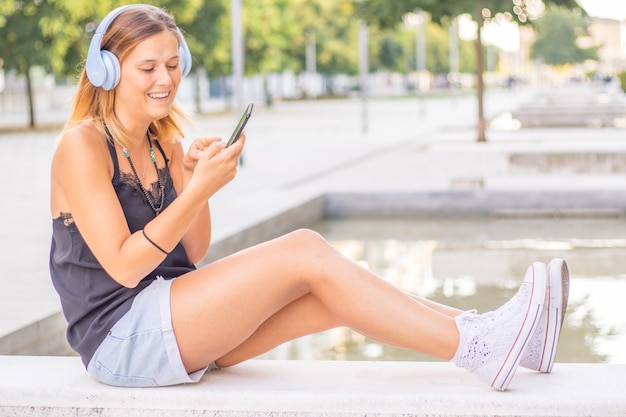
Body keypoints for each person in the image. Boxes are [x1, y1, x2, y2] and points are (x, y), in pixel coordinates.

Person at [49, 4, 570, 392]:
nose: (165, 80)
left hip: (176, 321)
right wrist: (200, 189)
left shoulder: (165, 141)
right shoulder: (83, 145)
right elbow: (121, 267)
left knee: (330, 297)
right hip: (120, 338)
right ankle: (480, 345)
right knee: (303, 248)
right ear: (108, 71)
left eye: (172, 64)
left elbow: (195, 251)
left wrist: (192, 180)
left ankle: (505, 340)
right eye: (147, 68)